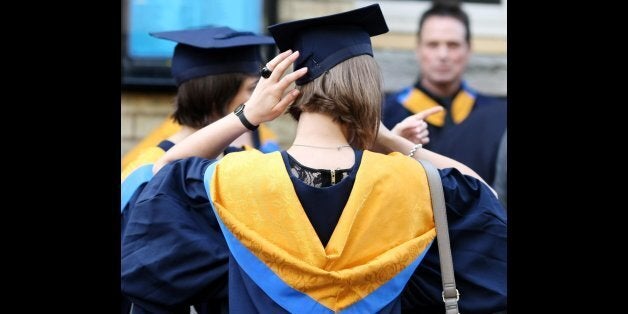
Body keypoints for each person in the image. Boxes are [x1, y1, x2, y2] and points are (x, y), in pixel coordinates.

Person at [122, 4, 506, 313]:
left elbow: (162, 176)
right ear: (368, 90)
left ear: (288, 94)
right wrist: (387, 138)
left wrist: (247, 116)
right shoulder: (411, 184)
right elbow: (482, 193)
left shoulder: (231, 179)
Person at [120, 26, 279, 314]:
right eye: (251, 90)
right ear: (218, 93)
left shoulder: (243, 161)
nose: (258, 100)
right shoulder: (145, 175)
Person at [382, 3, 507, 188]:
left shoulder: (497, 116)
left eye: (453, 45)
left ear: (468, 49)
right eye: (433, 44)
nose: (443, 55)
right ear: (418, 50)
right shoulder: (386, 114)